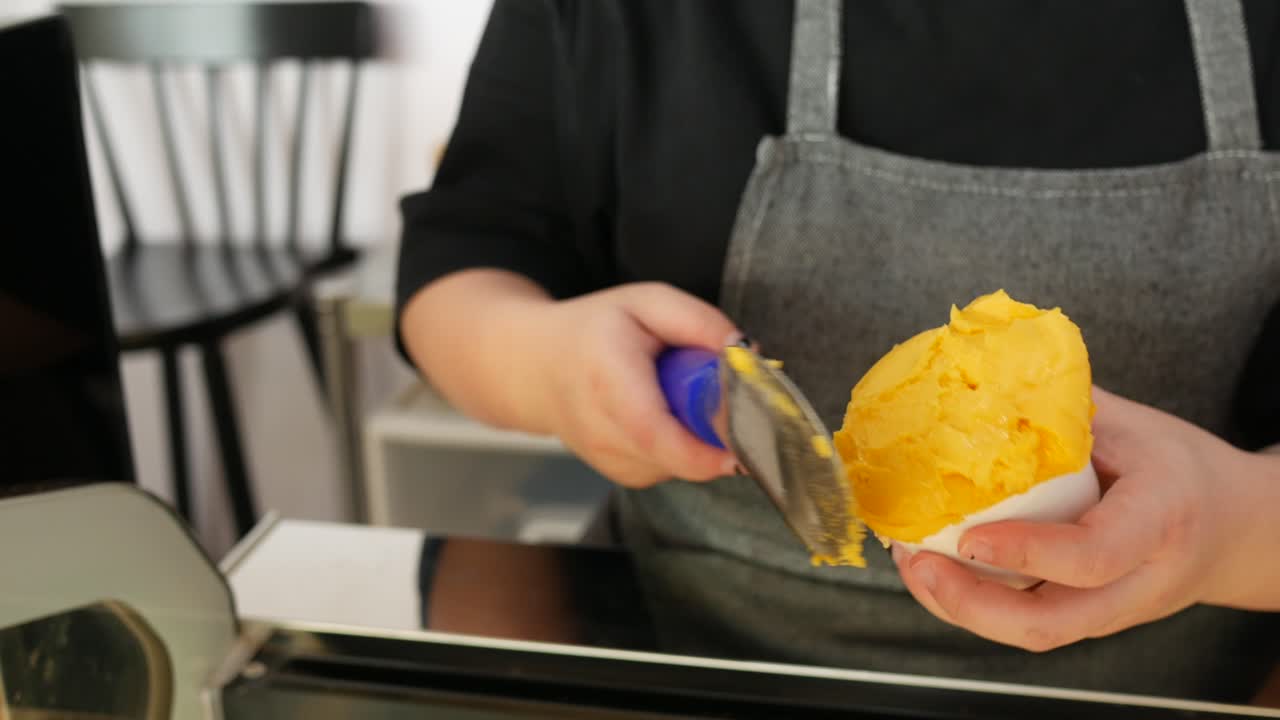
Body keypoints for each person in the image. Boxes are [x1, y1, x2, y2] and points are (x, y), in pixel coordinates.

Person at [396, 0, 1280, 697]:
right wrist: (547, 364)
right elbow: (464, 256)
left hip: (1199, 687)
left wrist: (1234, 525)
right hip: (695, 660)